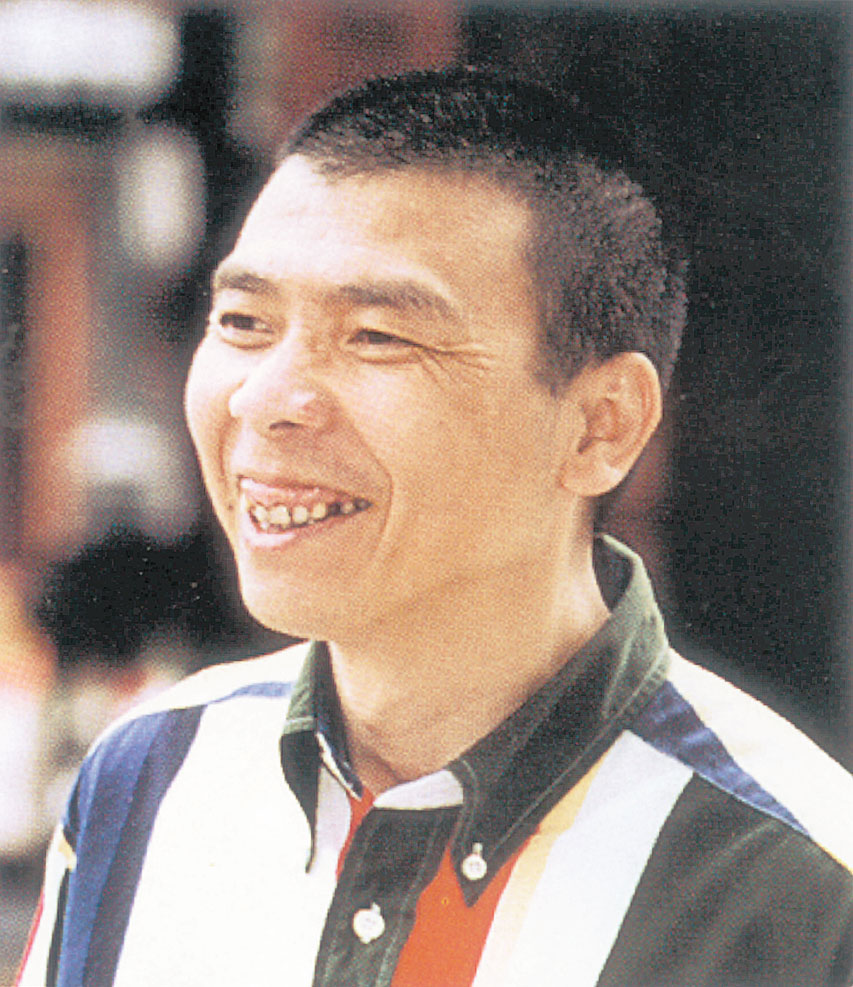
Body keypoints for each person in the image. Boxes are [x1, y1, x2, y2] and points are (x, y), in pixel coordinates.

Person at [18, 67, 853, 987]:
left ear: (600, 425)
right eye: (244, 320)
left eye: (377, 336)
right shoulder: (148, 775)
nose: (266, 399)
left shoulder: (798, 883)